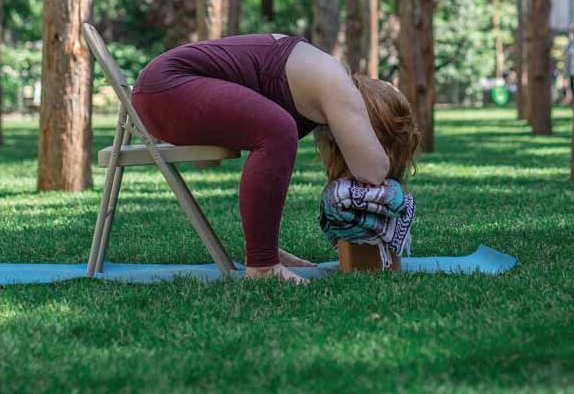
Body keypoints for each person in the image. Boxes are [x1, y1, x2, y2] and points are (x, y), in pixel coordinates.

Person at [130, 33, 421, 284]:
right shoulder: (338, 86)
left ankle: (266, 251)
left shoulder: (322, 82)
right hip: (167, 89)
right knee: (279, 130)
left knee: (278, 131)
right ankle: (263, 266)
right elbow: (372, 170)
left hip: (164, 91)